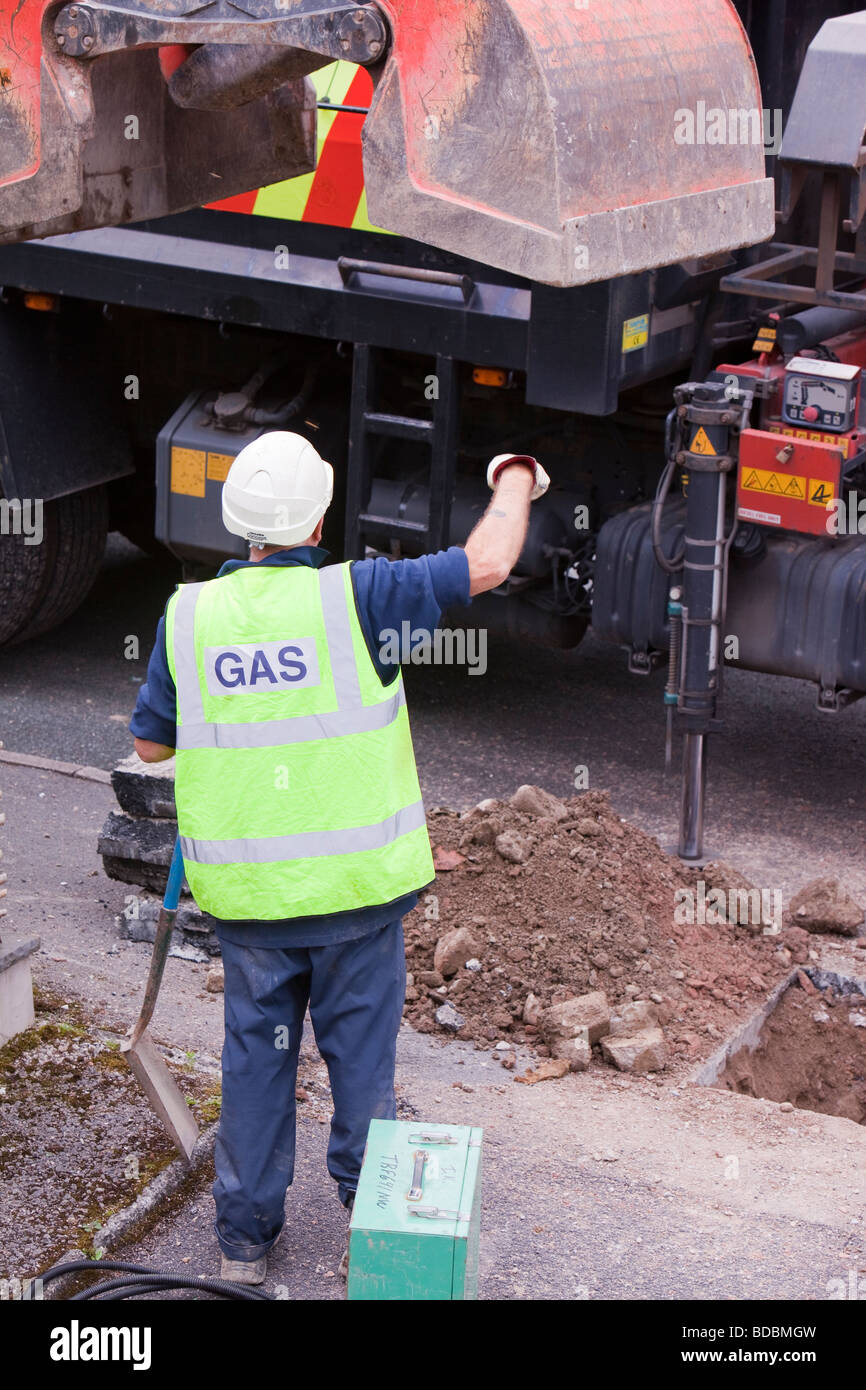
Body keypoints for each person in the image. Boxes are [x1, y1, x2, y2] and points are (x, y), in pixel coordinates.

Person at [129, 431, 549, 1283]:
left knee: (256, 1061)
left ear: (237, 522)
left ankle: (243, 1244)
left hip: (250, 904)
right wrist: (514, 480)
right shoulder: (361, 595)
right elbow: (489, 562)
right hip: (358, 898)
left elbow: (148, 748)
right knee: (361, 1063)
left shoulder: (188, 615)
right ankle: (378, 1228)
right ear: (319, 515)